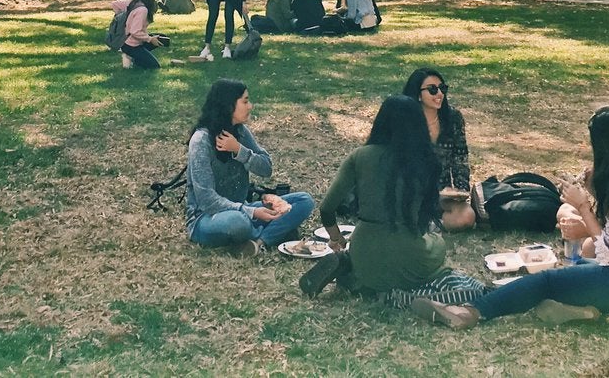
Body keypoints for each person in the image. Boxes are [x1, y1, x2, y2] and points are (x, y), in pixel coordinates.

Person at [410, 102, 609, 330]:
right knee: (577, 269)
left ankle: (470, 313)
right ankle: (582, 311)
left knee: (550, 280)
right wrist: (596, 191)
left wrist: (584, 206)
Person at [301, 95, 486, 307]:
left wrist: (336, 240)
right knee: (437, 243)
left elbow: (326, 209)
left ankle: (351, 269)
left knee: (370, 260)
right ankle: (396, 292)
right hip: (410, 252)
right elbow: (425, 217)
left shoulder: (360, 156)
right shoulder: (426, 160)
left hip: (364, 249)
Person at [185, 79, 314, 253]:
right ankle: (279, 231)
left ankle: (258, 243)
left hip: (242, 208)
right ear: (228, 105)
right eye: (245, 101)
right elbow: (207, 200)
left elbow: (266, 168)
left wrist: (239, 150)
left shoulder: (240, 132)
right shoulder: (201, 141)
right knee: (238, 222)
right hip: (207, 219)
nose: (250, 106)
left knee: (304, 201)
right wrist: (252, 213)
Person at [403, 68, 474, 230]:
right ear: (418, 94)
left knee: (467, 217)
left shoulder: (453, 118)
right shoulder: (405, 118)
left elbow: (460, 159)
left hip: (441, 193)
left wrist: (460, 191)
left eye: (443, 88)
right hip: (408, 190)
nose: (439, 94)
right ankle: (427, 224)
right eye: (432, 90)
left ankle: (426, 225)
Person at [117, 0, 165, 69]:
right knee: (155, 66)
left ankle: (136, 58)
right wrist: (150, 39)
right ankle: (131, 56)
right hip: (131, 45)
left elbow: (114, 4)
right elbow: (135, 31)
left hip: (130, 41)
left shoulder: (133, 2)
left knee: (161, 37)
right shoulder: (142, 10)